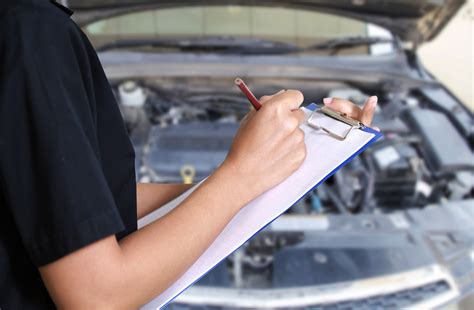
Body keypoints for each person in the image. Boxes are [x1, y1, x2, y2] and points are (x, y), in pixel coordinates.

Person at [0, 0, 378, 308]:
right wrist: (241, 175)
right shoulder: (30, 30)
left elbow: (83, 209)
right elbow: (99, 298)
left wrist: (278, 165)